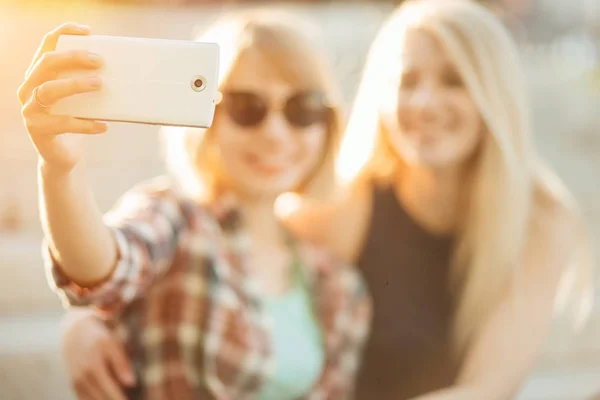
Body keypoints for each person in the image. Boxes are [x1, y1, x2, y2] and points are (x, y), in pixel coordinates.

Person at [57, 0, 595, 399]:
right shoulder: (349, 206)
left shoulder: (541, 218)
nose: (426, 102)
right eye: (408, 81)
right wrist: (87, 320)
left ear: (493, 92)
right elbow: (215, 248)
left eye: (454, 81)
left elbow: (491, 387)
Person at [17, 11, 371, 400]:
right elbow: (102, 269)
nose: (275, 133)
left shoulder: (339, 286)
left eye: (302, 108)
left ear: (328, 124)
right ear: (207, 118)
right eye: (246, 107)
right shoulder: (174, 217)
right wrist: (60, 169)